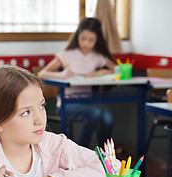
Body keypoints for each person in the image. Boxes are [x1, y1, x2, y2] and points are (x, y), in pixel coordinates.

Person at [37, 17, 117, 148]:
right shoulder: (66, 55)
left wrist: (99, 72)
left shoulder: (97, 56)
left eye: (91, 40)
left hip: (89, 103)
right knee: (95, 113)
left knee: (108, 117)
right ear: (77, 36)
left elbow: (117, 69)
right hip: (67, 103)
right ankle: (80, 152)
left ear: (97, 40)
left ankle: (104, 156)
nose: (86, 43)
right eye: (83, 38)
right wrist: (61, 75)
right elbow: (41, 74)